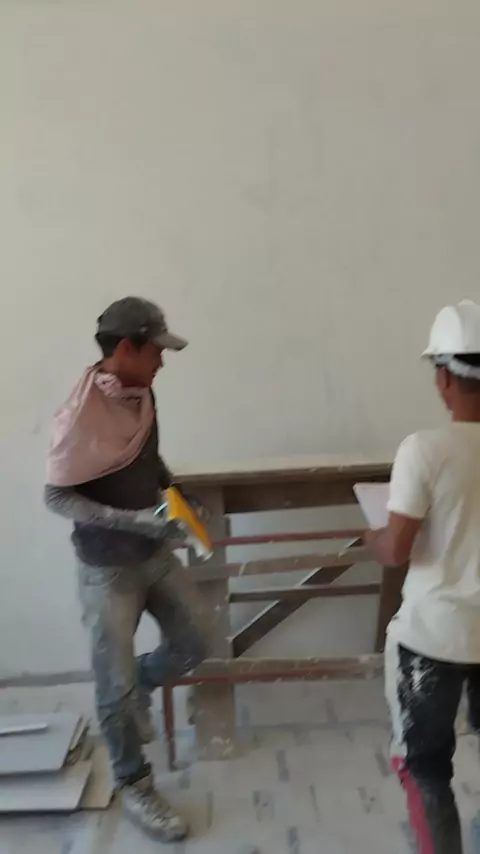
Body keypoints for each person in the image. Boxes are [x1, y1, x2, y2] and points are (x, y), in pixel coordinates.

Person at [44, 297, 213, 843]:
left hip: (155, 555)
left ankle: (137, 681)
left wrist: (178, 495)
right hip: (107, 570)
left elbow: (149, 459)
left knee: (197, 640)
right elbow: (57, 497)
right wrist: (131, 520)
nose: (162, 361)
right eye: (155, 351)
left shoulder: (142, 395)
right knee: (112, 688)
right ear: (125, 349)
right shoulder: (79, 416)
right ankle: (135, 783)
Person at [365, 299, 480, 854]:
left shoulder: (424, 450)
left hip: (433, 640)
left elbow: (395, 550)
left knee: (426, 768)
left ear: (444, 378)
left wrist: (371, 535)